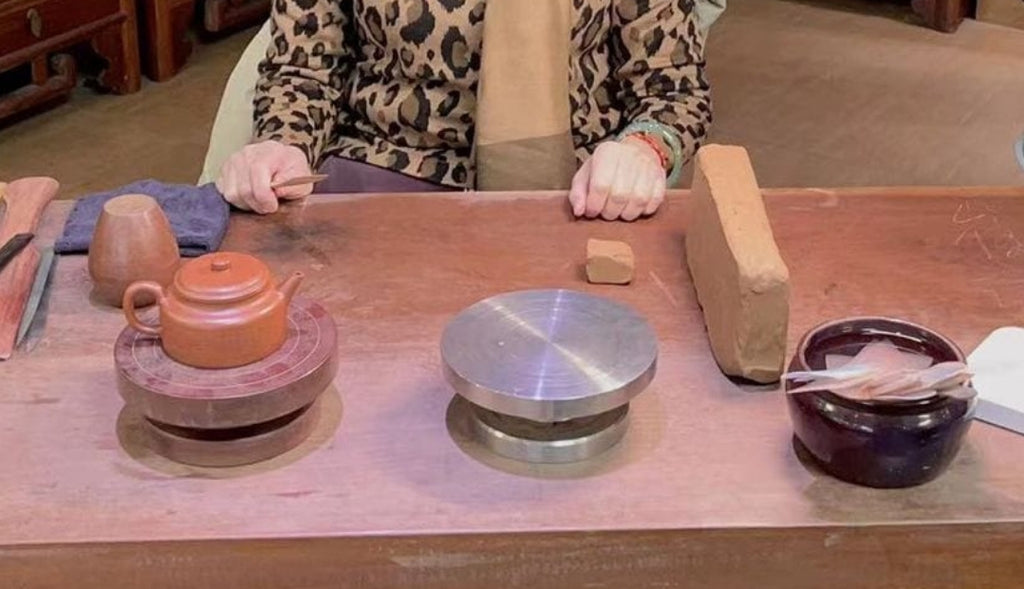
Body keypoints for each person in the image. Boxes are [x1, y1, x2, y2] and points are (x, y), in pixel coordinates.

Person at [216, 0, 712, 222]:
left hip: (570, 193)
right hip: (381, 172)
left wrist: (643, 148)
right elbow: (303, 68)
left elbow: (674, 89)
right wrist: (282, 143)